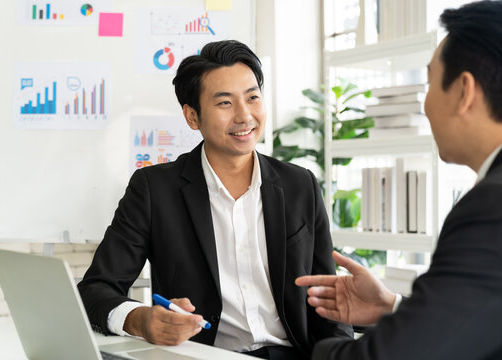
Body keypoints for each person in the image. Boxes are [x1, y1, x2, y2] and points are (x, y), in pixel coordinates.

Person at [78, 40, 352, 360]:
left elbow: (327, 301)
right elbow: (95, 291)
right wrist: (140, 319)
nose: (244, 115)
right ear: (192, 116)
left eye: (252, 97)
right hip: (205, 355)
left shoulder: (299, 184)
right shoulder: (155, 190)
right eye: (225, 103)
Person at [296, 0, 502, 359]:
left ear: (465, 91)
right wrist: (392, 306)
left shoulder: (500, 206)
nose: (426, 103)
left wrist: (319, 352)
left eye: (430, 82)